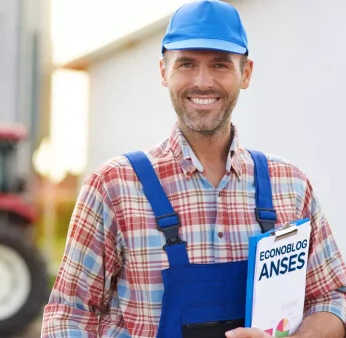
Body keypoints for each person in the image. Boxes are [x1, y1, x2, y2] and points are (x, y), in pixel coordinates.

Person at [40, 0, 346, 337]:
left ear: (245, 73)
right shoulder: (114, 186)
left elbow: (333, 296)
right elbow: (68, 317)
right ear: (163, 72)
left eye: (219, 65)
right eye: (186, 64)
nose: (203, 81)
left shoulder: (291, 185)